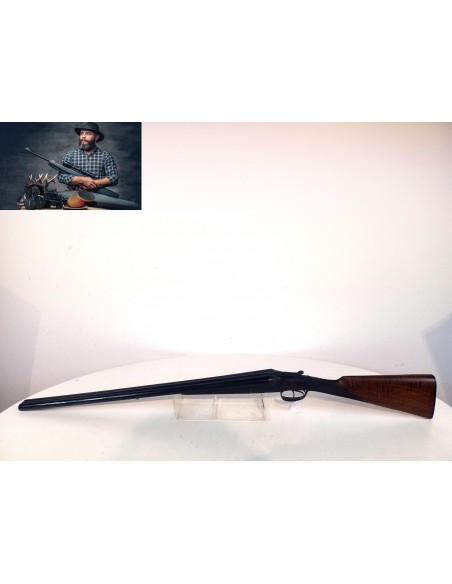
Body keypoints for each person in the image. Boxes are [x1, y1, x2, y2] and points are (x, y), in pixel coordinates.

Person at [58, 123, 119, 190]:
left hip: (97, 195)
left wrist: (93, 183)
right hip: (74, 194)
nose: (83, 136)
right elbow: (61, 177)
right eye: (81, 133)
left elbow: (114, 178)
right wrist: (82, 180)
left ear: (96, 137)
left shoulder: (106, 156)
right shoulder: (70, 155)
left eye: (88, 134)